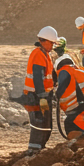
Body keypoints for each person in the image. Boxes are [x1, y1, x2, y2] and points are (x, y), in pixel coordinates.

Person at [23, 26, 58, 155]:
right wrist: (42, 96)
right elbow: (37, 77)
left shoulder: (46, 54)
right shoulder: (38, 54)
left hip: (42, 95)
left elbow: (48, 75)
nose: (53, 46)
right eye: (52, 43)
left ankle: (40, 149)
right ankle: (33, 151)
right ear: (45, 41)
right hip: (35, 96)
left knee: (46, 125)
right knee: (39, 125)